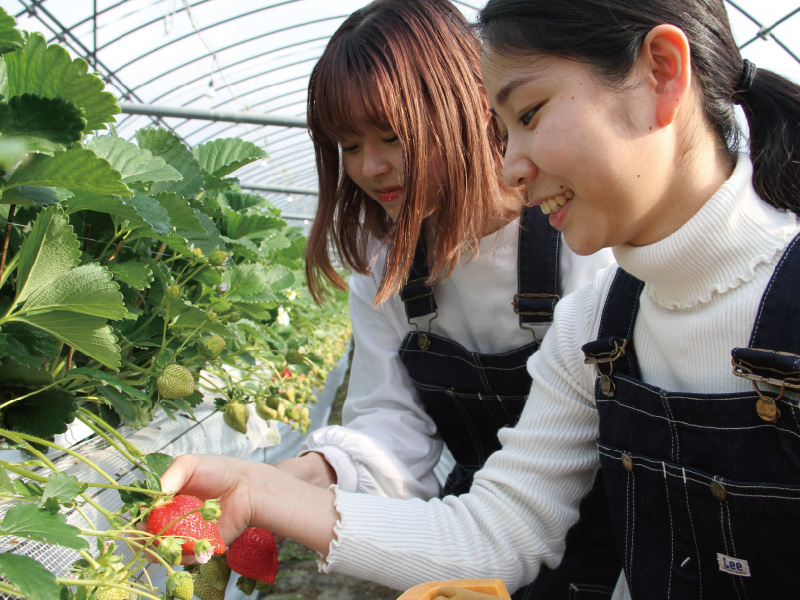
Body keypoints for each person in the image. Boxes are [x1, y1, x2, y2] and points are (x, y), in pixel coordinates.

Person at [160, 0, 800, 598]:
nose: (513, 164)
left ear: (662, 73)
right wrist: (280, 482)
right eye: (349, 146)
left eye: (528, 115)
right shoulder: (596, 326)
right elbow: (500, 525)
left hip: (604, 544)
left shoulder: (590, 258)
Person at [273, 1, 618, 598]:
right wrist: (313, 471)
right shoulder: (385, 265)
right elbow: (393, 418)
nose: (370, 167)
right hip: (479, 536)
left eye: (390, 136)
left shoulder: (579, 238)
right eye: (348, 145)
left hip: (612, 540)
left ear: (463, 109)